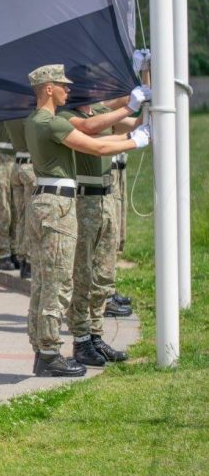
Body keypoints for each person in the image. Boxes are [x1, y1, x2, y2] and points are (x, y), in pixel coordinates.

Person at [23, 65, 150, 378]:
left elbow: (103, 130)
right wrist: (137, 141)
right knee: (58, 280)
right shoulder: (51, 122)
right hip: (58, 205)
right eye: (62, 85)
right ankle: (50, 352)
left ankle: (44, 349)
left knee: (45, 281)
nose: (68, 89)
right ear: (48, 88)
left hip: (49, 201)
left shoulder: (37, 120)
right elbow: (98, 145)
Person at [59, 90, 147, 366]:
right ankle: (81, 338)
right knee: (82, 272)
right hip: (85, 199)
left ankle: (96, 334)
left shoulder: (98, 113)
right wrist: (129, 106)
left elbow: (136, 124)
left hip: (107, 197)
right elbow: (92, 132)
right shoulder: (68, 117)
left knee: (103, 273)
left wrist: (147, 88)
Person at [5, 118, 35, 279]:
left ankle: (21, 256)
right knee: (31, 215)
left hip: (17, 165)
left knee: (21, 216)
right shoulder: (32, 115)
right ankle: (29, 261)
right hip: (31, 165)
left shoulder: (12, 114)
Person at [0, 121, 18, 270]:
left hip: (21, 159)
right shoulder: (6, 101)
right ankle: (4, 253)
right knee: (3, 208)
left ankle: (15, 250)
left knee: (17, 209)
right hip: (3, 159)